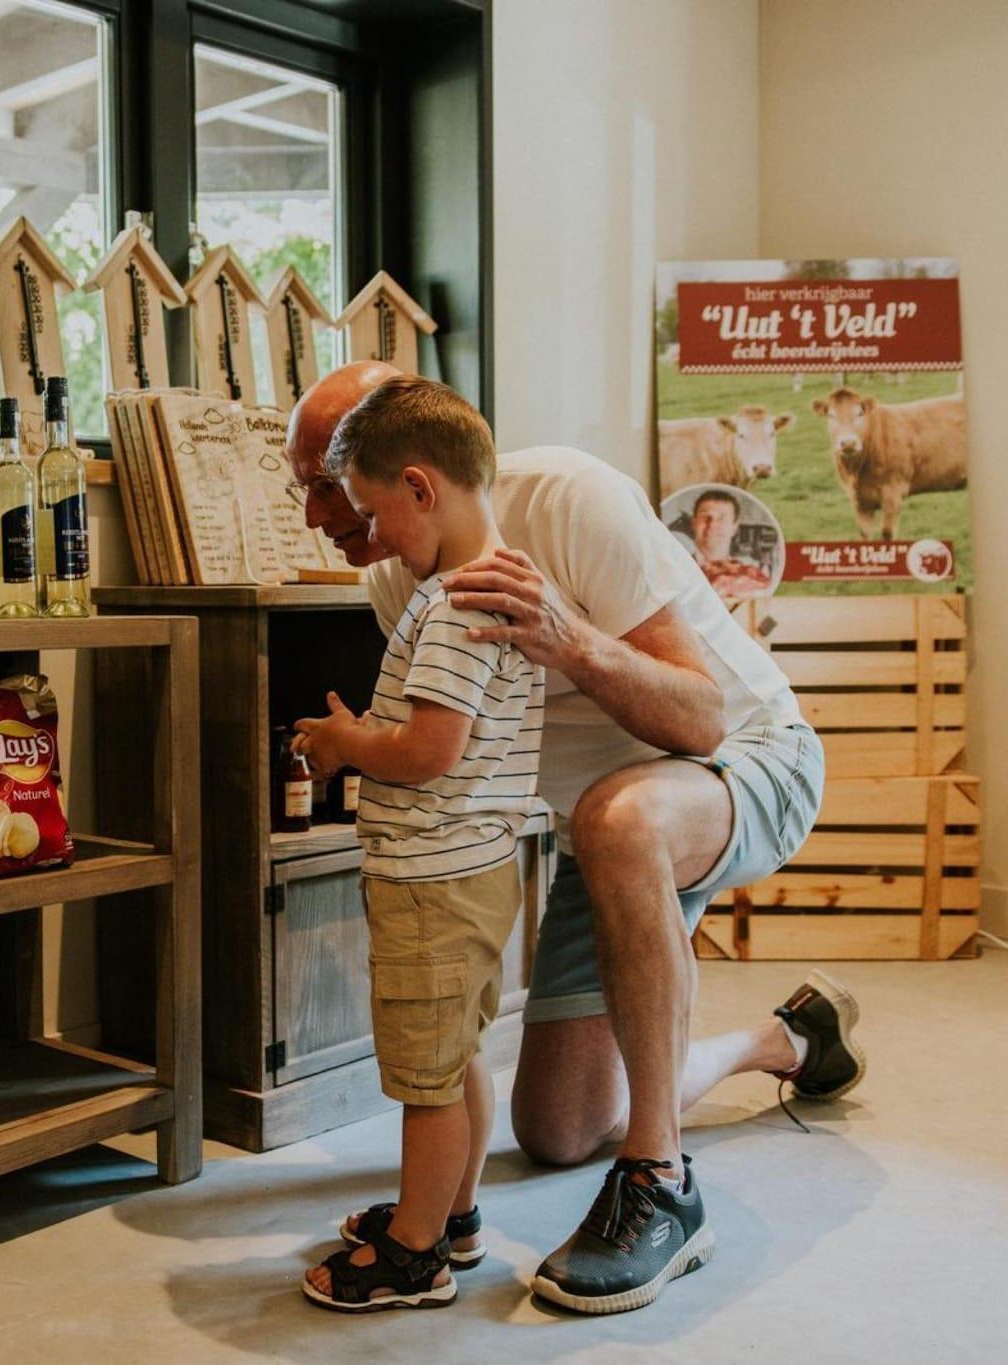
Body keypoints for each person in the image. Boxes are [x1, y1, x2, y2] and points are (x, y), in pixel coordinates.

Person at [286, 362, 863, 1315]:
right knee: (558, 1127)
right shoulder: (398, 573)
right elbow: (460, 752)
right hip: (603, 833)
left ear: (406, 465)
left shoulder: (569, 498)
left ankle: (662, 1182)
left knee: (618, 817)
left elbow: (704, 718)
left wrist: (571, 638)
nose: (316, 515)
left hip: (750, 764)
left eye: (328, 484)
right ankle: (783, 1038)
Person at [291, 377, 547, 1313]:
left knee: (425, 1081)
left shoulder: (449, 605)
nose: (372, 535)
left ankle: (411, 1254)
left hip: (432, 879)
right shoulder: (507, 582)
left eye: (371, 513)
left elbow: (429, 751)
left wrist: (345, 742)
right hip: (475, 870)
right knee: (457, 1053)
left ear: (420, 486)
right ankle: (451, 1212)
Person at [688, 489, 742, 565]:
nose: (712, 525)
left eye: (721, 518)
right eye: (704, 516)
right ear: (693, 523)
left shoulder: (747, 571)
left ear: (734, 527)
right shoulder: (676, 565)